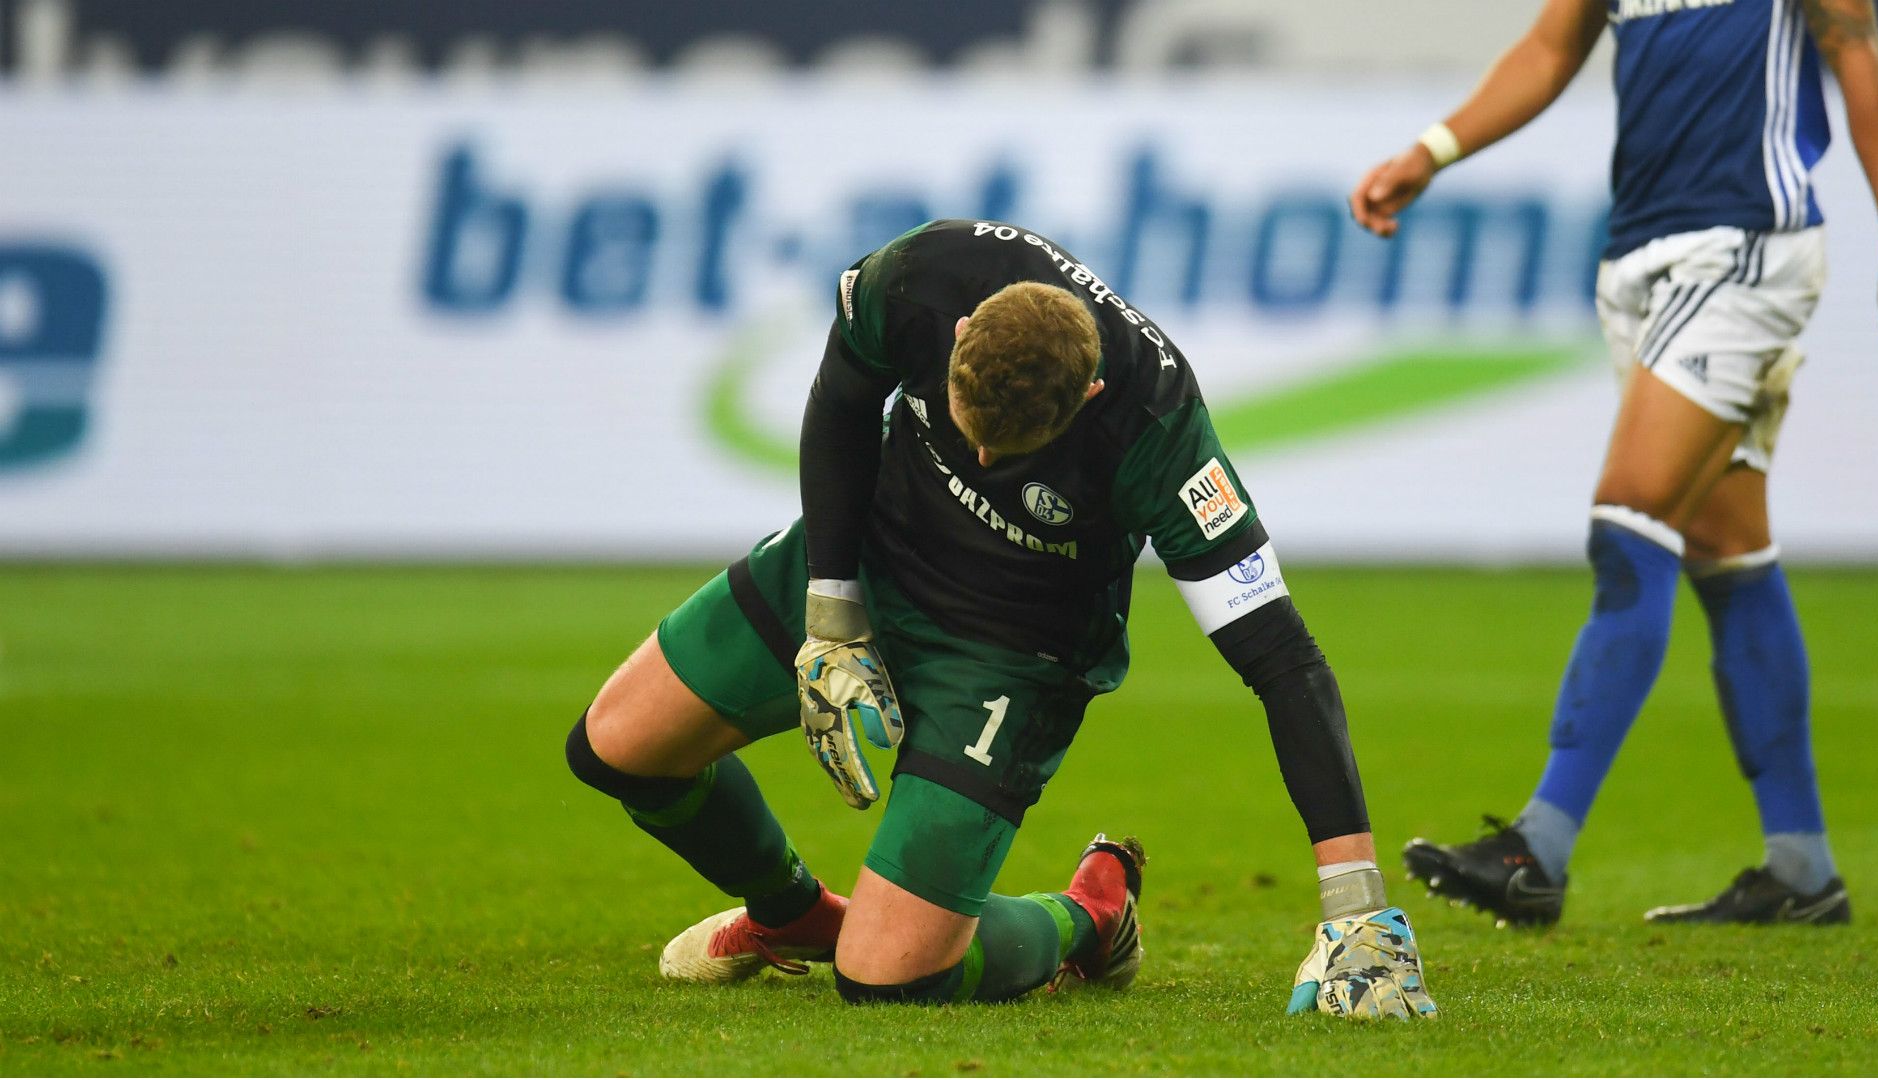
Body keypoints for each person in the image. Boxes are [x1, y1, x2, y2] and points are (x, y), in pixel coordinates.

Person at [564, 218, 1436, 1017]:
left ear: (1090, 394)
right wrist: (832, 610)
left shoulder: (1158, 432)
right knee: (617, 748)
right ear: (958, 340)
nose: (981, 457)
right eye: (966, 427)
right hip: (871, 554)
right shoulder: (916, 279)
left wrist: (1355, 906)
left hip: (1011, 651)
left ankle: (1091, 917)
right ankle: (792, 914)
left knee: (890, 981)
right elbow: (838, 402)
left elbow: (1282, 658)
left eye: (1007, 452)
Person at [1349, 0, 1878, 927]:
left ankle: (1539, 848)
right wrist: (1433, 149)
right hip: (1642, 256)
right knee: (1727, 551)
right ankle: (1804, 871)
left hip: (1745, 248)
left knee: (1628, 524)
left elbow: (1854, 41)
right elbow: (1552, 45)